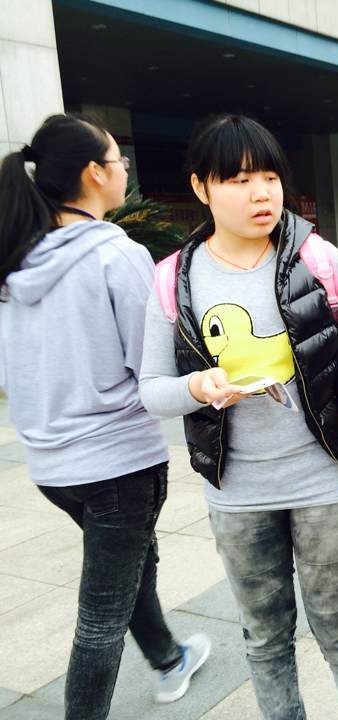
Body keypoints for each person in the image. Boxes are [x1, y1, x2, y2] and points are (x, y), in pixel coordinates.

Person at [138, 114, 338, 720]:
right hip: (236, 494)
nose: (261, 193)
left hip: (324, 483)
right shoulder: (174, 277)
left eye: (269, 177)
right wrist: (198, 387)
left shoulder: (317, 257)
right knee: (264, 638)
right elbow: (152, 391)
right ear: (201, 187)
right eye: (238, 180)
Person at [0, 114, 210, 719]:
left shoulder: (17, 262)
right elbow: (150, 365)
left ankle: (169, 659)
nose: (124, 172)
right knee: (101, 618)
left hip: (50, 466)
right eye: (119, 161)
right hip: (116, 462)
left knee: (128, 564)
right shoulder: (116, 254)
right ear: (95, 173)